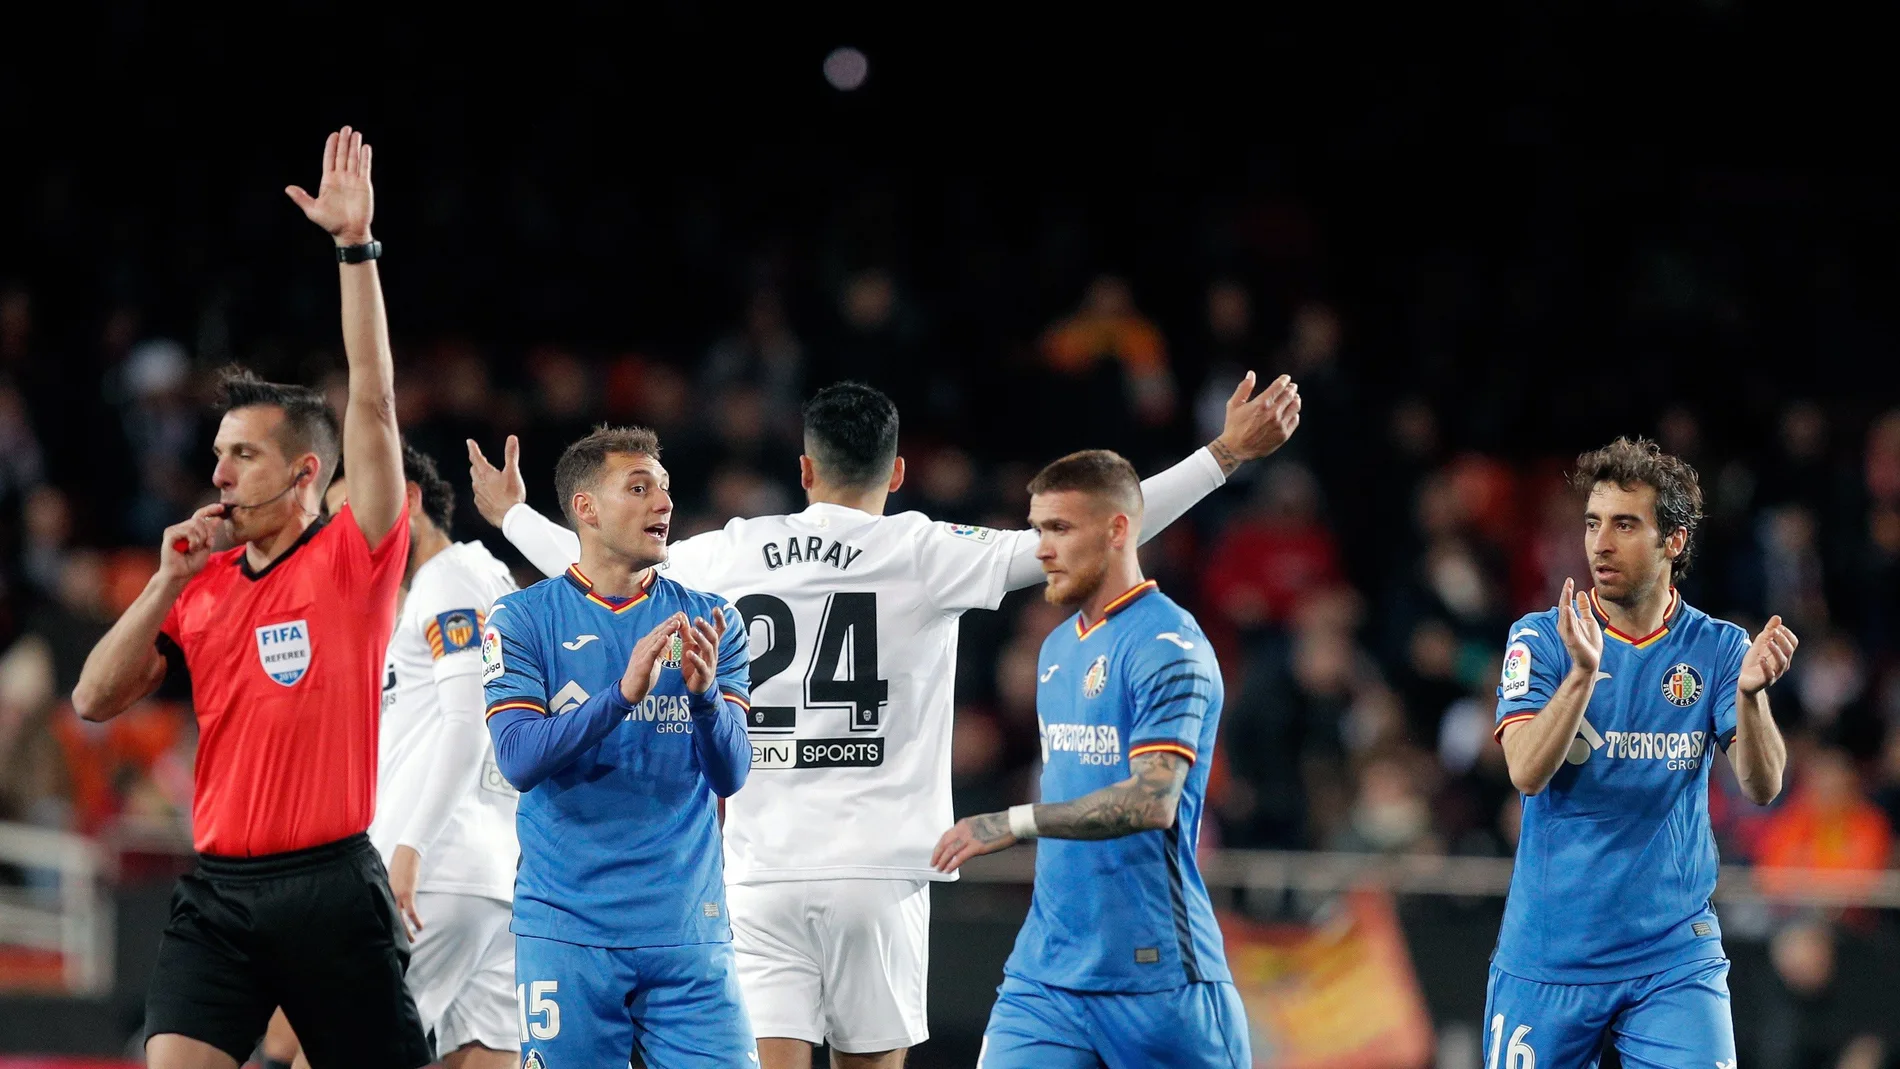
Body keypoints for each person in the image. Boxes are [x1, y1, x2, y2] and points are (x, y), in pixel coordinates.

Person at [469, 373, 1299, 1069]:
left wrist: (512, 516)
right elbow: (1092, 533)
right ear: (897, 472)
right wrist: (1222, 456)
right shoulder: (927, 548)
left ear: (803, 468)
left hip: (758, 873)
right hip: (883, 868)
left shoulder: (730, 550)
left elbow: (605, 565)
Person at [70, 128, 431, 1069]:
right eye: (219, 451)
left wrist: (356, 250)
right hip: (222, 891)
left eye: (244, 454)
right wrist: (164, 580)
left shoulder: (356, 555)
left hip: (332, 887)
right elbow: (93, 700)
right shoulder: (203, 582)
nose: (218, 470)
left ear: (308, 471)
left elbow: (376, 404)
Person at [1486, 437, 1799, 1069]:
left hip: (1672, 959)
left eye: (1625, 525)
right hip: (1551, 959)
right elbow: (1525, 770)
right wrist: (1580, 677)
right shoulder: (1543, 639)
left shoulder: (1717, 649)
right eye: (1594, 523)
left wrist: (1753, 696)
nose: (1600, 543)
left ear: (1674, 542)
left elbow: (1762, 786)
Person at [932, 450, 1247, 1069]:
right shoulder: (1054, 650)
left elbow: (1151, 801)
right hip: (1045, 976)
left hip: (1158, 981)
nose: (1041, 549)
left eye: (1059, 529)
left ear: (1118, 530)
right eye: (1036, 529)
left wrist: (1012, 823)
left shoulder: (1169, 645)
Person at [481, 426, 755, 1069]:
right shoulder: (520, 619)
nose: (662, 503)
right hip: (569, 928)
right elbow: (518, 759)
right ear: (586, 508)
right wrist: (620, 697)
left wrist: (706, 699)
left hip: (688, 931)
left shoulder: (713, 620)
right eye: (639, 488)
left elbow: (732, 772)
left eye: (664, 489)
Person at [271, 443, 520, 1069]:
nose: (345, 536)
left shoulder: (447, 581)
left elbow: (469, 721)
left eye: (353, 513)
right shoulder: (488, 576)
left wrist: (411, 849)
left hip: (431, 870)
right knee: (482, 1055)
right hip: (494, 870)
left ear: (405, 500)